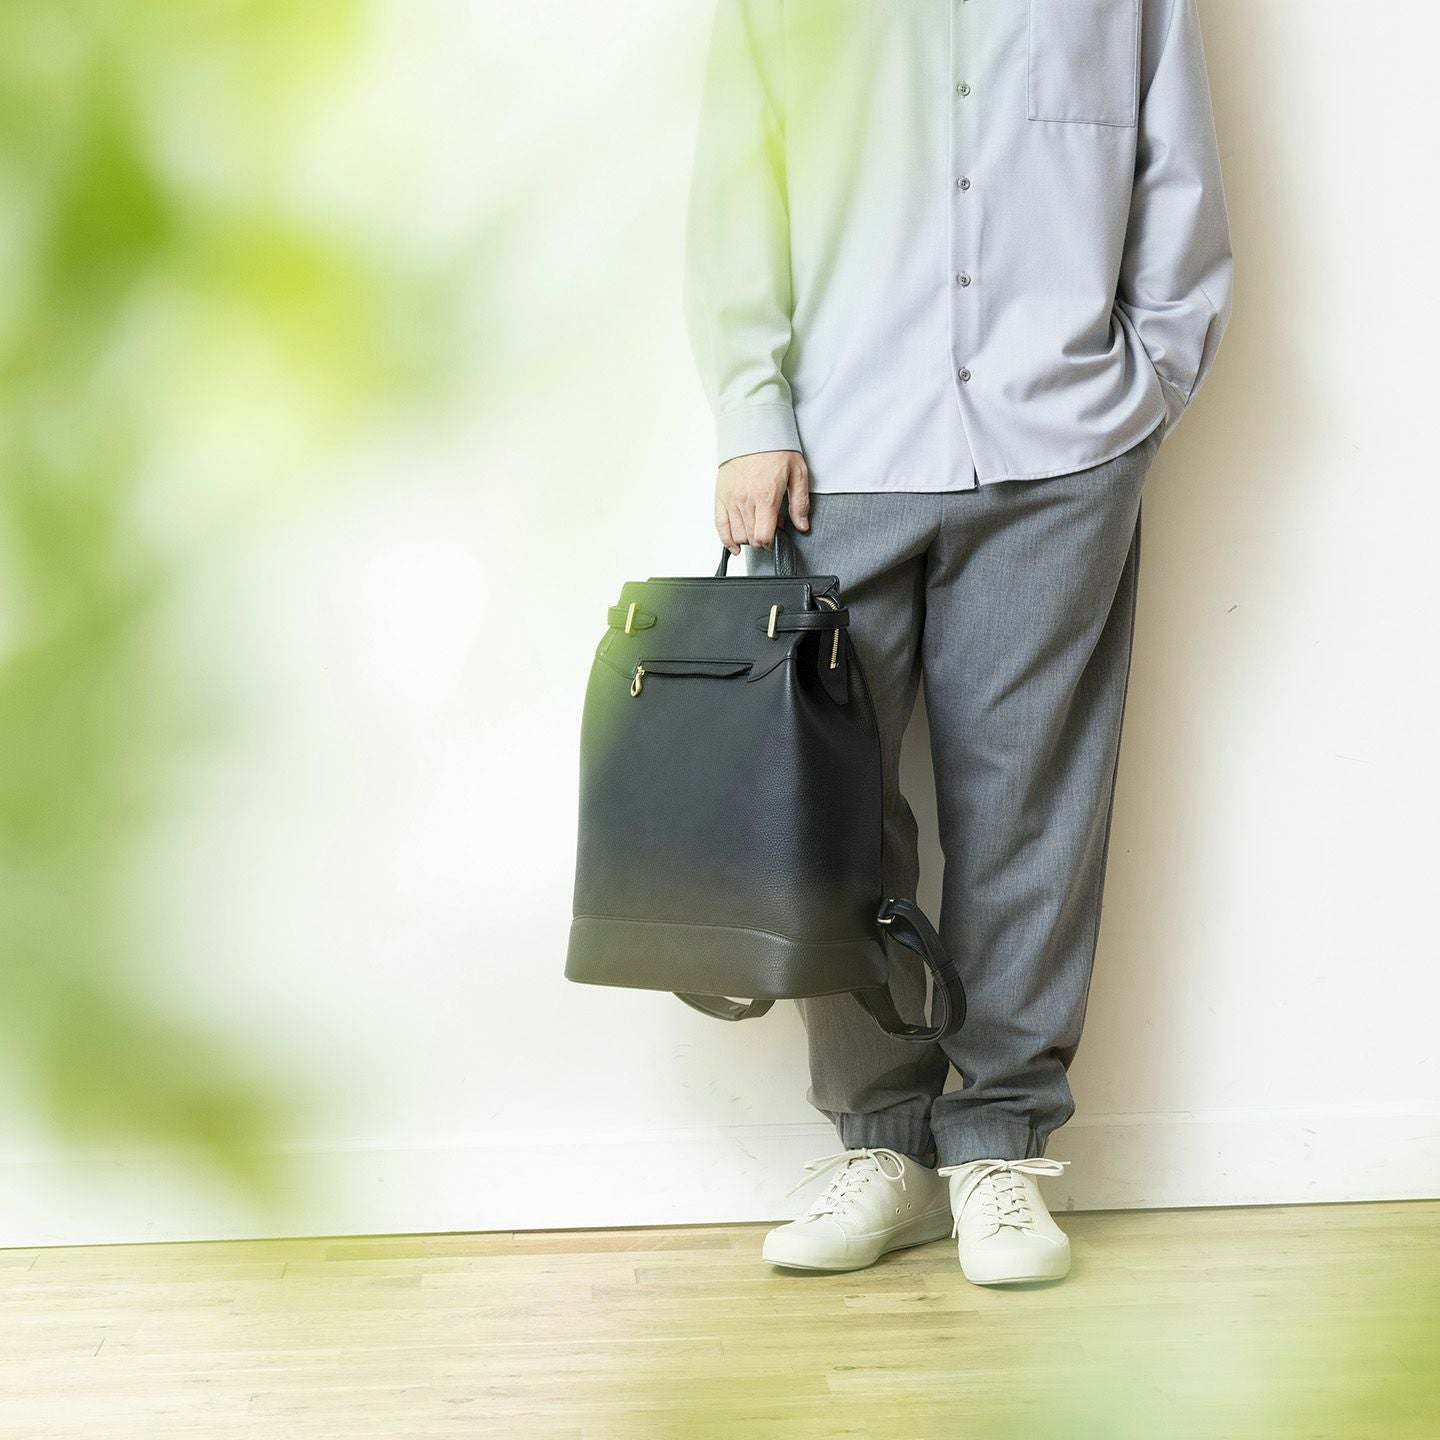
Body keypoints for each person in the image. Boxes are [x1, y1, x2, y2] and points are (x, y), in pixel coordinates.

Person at [681, 0, 1233, 1286]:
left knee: (1031, 802)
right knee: (828, 812)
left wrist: (1144, 392)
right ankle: (879, 1140)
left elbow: (1180, 173)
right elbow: (737, 177)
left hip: (1062, 450)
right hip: (835, 455)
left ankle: (1000, 1143)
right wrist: (751, 411)